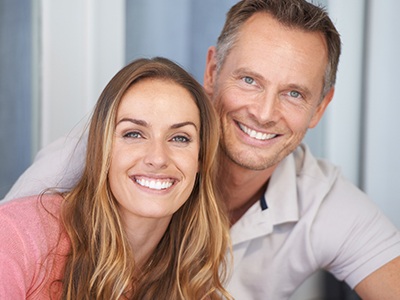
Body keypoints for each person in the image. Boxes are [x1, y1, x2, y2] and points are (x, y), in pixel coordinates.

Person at [3, 0, 400, 299]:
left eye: (293, 93)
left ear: (321, 107)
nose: (263, 112)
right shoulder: (87, 159)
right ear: (212, 71)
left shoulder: (324, 202)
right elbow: (18, 244)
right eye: (249, 80)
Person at [0, 57, 232, 299]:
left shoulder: (193, 286)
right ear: (102, 149)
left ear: (201, 159)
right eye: (134, 134)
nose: (158, 158)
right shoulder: (17, 236)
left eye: (180, 138)